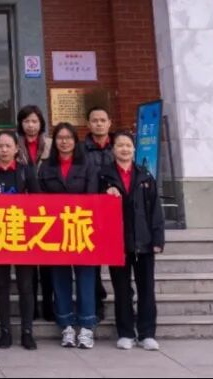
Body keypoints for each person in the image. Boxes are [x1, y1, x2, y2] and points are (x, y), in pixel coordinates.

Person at [98, 130, 165, 352]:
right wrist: (105, 193)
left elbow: (155, 211)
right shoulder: (104, 176)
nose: (124, 149)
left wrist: (157, 239)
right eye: (120, 145)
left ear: (134, 149)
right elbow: (95, 206)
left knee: (147, 289)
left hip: (144, 241)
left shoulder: (145, 176)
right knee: (122, 290)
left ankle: (147, 333)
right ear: (113, 149)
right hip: (117, 242)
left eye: (128, 145)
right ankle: (126, 333)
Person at [38, 122, 99, 349]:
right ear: (55, 142)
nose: (64, 142)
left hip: (81, 228)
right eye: (60, 138)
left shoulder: (87, 165)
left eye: (69, 137)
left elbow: (92, 196)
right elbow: (40, 198)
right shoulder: (46, 167)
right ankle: (66, 326)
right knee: (60, 279)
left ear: (75, 140)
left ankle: (86, 327)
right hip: (55, 231)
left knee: (86, 278)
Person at [0, 130, 41, 350]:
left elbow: (39, 201)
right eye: (0, 146)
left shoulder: (26, 171)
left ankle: (27, 331)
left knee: (26, 285)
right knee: (1, 284)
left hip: (23, 235)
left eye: (8, 146)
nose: (4, 150)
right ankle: (5, 330)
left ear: (17, 148)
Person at [15, 105, 54, 322]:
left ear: (41, 123)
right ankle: (31, 309)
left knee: (47, 261)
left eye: (35, 121)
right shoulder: (14, 146)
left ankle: (48, 305)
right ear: (21, 124)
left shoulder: (51, 145)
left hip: (46, 208)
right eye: (26, 121)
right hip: (22, 211)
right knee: (28, 262)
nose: (31, 125)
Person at [83, 106, 115, 322]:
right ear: (88, 124)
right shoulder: (81, 150)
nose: (99, 124)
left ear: (109, 123)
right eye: (95, 120)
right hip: (90, 210)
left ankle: (125, 303)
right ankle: (96, 302)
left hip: (115, 212)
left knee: (118, 260)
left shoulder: (119, 146)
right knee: (92, 260)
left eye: (103, 120)